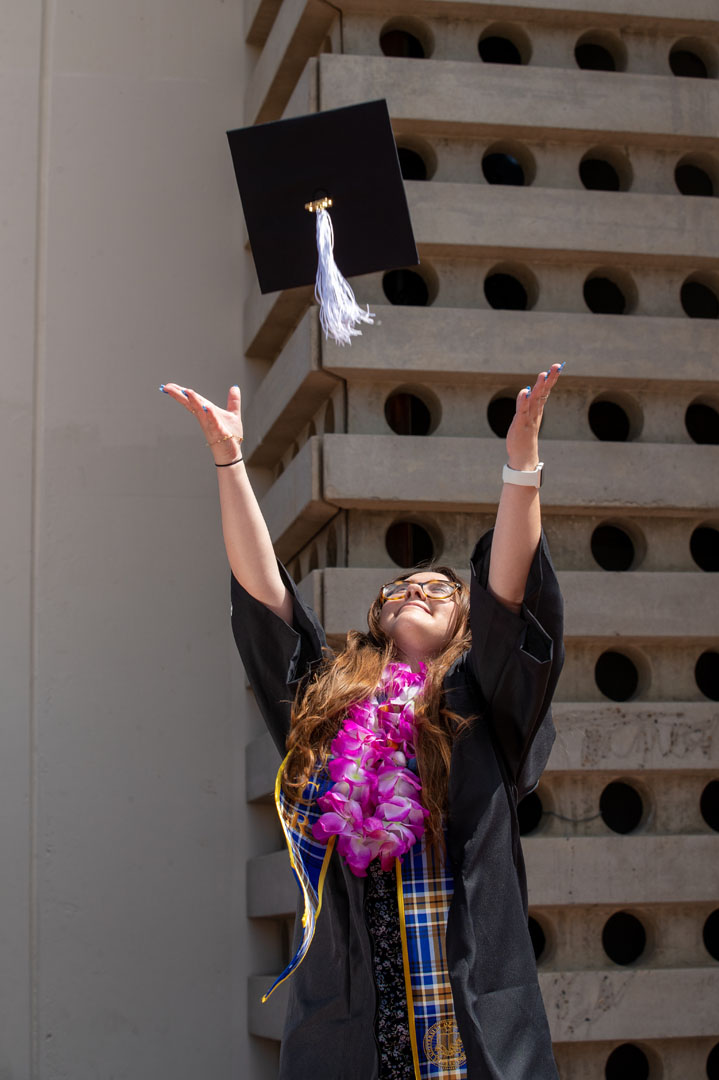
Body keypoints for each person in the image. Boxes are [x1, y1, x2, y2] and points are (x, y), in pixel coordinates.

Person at [161, 364, 565, 1080]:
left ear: (466, 625)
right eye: (400, 587)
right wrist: (229, 462)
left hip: (473, 1038)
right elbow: (267, 602)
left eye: (437, 588)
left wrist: (520, 467)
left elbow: (509, 598)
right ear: (377, 618)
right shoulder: (328, 710)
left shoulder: (484, 705)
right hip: (351, 1037)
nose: (415, 589)